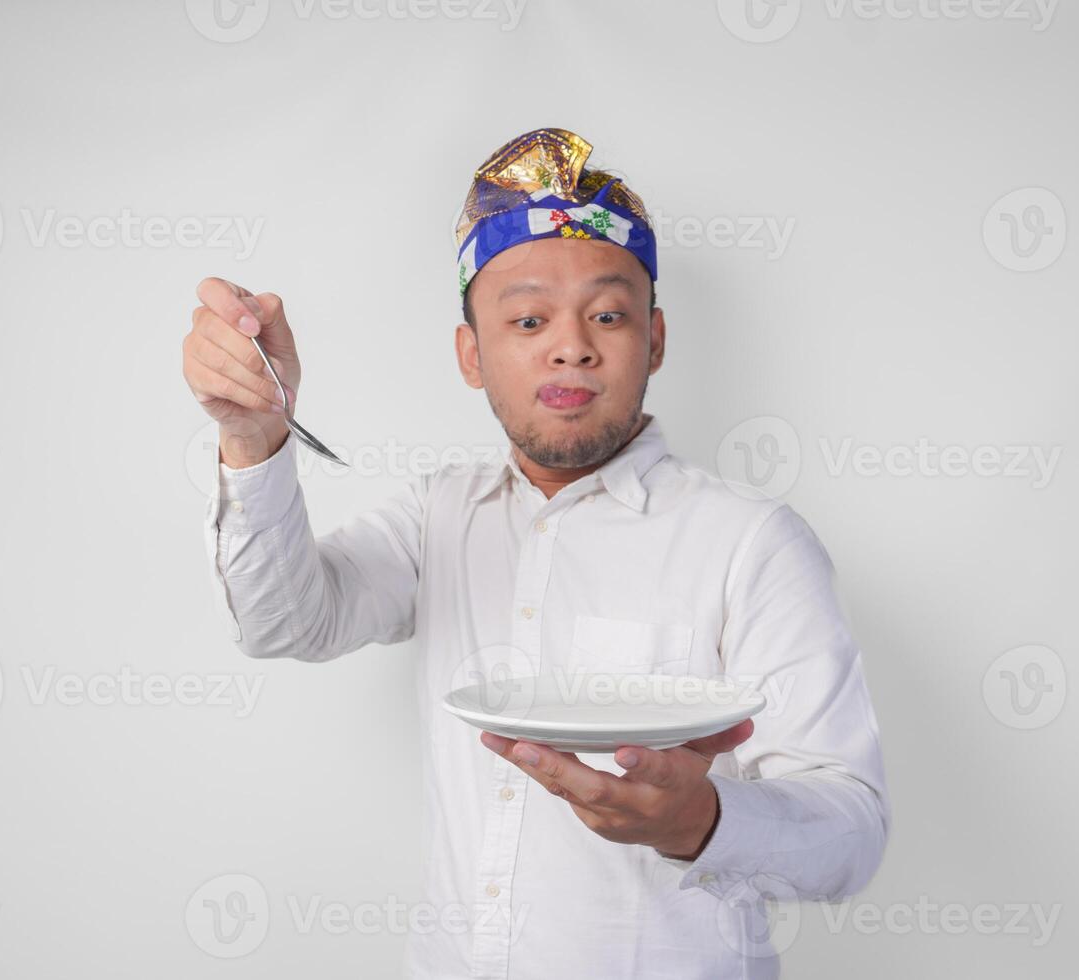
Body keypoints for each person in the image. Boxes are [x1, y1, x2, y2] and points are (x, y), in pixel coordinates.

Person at [180, 126, 890, 979]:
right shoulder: (439, 515)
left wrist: (699, 820)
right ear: (472, 355)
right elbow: (281, 621)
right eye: (527, 318)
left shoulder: (751, 545)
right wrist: (256, 440)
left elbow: (851, 832)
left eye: (609, 314)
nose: (571, 345)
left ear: (655, 341)